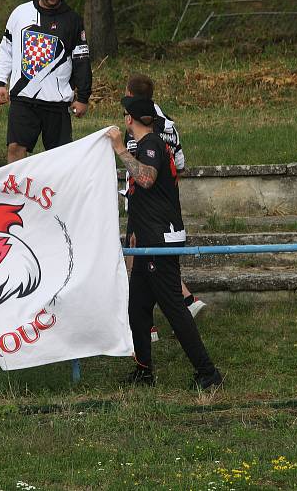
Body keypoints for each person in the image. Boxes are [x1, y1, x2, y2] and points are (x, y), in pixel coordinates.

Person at [107, 96, 223, 390]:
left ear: (129, 118)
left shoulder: (151, 145)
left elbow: (145, 179)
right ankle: (144, 371)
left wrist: (119, 148)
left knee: (174, 308)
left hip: (161, 241)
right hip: (148, 240)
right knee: (138, 307)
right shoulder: (148, 146)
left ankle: (208, 373)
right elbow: (142, 196)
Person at [122, 74, 207, 320]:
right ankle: (188, 301)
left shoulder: (138, 128)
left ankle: (147, 324)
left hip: (144, 205)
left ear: (131, 97)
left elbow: (139, 170)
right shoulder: (169, 124)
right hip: (167, 206)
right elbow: (180, 163)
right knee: (155, 266)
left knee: (138, 263)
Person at [0, 0, 92, 163]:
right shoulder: (20, 13)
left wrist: (83, 97)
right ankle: (15, 193)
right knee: (15, 148)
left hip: (57, 103)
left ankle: (57, 194)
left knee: (59, 160)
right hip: (23, 99)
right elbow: (6, 49)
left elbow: (81, 60)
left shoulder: (73, 20)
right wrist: (0, 82)